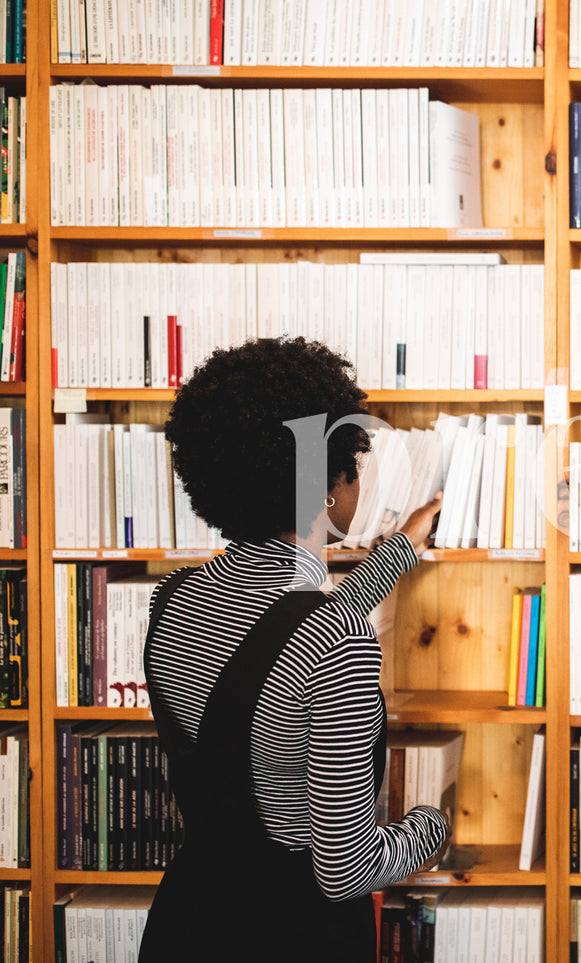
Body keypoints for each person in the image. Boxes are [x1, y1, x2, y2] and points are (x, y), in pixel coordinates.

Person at [139, 338, 447, 963]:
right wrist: (430, 827)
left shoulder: (173, 601)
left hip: (189, 922)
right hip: (294, 936)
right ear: (333, 483)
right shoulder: (337, 639)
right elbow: (348, 869)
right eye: (354, 466)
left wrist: (401, 548)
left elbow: (274, 637)